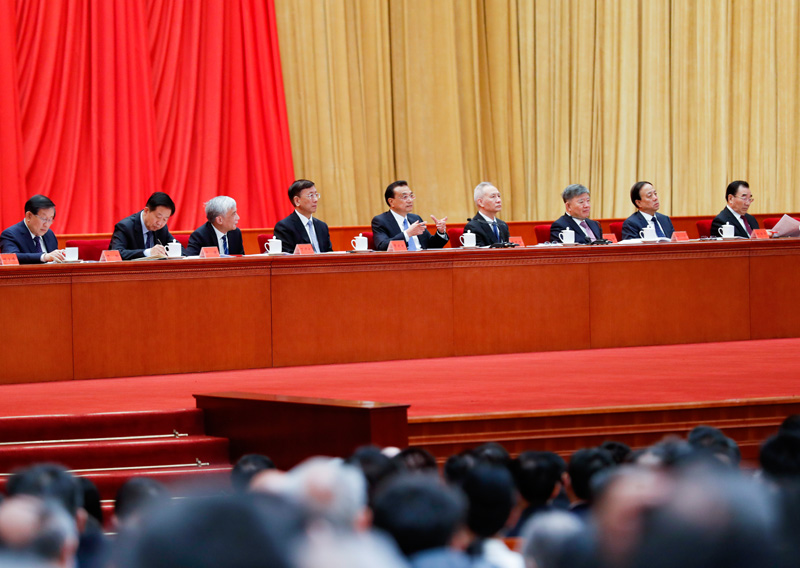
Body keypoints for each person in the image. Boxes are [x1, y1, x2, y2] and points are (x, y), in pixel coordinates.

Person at [371, 181, 448, 251]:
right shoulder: (380, 221)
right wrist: (407, 234)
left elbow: (431, 246)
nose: (410, 200)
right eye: (404, 197)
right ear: (391, 202)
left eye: (411, 196)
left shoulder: (415, 218)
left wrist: (440, 232)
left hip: (423, 259)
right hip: (402, 260)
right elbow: (382, 246)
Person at [110, 192, 180, 260]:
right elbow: (116, 254)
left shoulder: (162, 228)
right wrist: (148, 252)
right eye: (158, 217)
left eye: (165, 219)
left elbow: (177, 246)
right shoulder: (125, 227)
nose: (160, 223)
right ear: (146, 211)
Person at [0, 195, 65, 264]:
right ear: (29, 216)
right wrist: (44, 257)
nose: (46, 225)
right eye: (43, 219)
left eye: (50, 219)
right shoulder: (10, 235)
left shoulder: (49, 234)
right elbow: (11, 258)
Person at [273, 180, 333, 253]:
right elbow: (287, 257)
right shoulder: (284, 227)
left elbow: (329, 253)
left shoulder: (322, 226)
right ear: (297, 201)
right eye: (311, 196)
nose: (315, 200)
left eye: (316, 195)